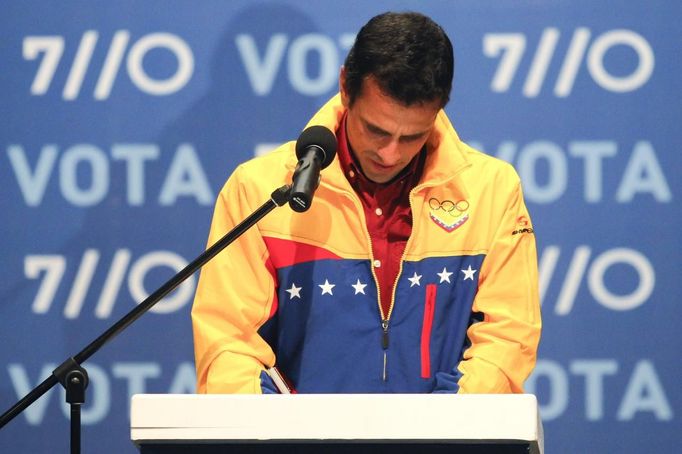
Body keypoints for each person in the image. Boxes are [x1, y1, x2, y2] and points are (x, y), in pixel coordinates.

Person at [192, 11, 541, 394]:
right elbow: (228, 342)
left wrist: (442, 430)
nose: (390, 154)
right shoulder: (259, 190)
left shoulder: (492, 189)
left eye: (412, 137)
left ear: (440, 109)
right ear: (345, 86)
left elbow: (507, 338)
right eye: (375, 130)